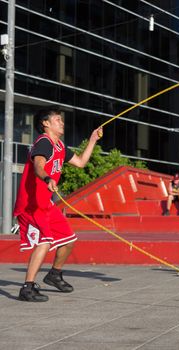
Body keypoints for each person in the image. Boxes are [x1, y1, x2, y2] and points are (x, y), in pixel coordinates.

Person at [14, 106, 102, 302]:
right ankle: (27, 288)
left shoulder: (60, 147)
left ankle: (54, 274)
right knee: (45, 241)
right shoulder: (43, 142)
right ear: (45, 123)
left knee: (69, 240)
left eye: (62, 120)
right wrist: (47, 179)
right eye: (57, 120)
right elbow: (38, 164)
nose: (62, 123)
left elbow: (80, 162)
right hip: (31, 204)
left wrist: (93, 140)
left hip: (46, 205)